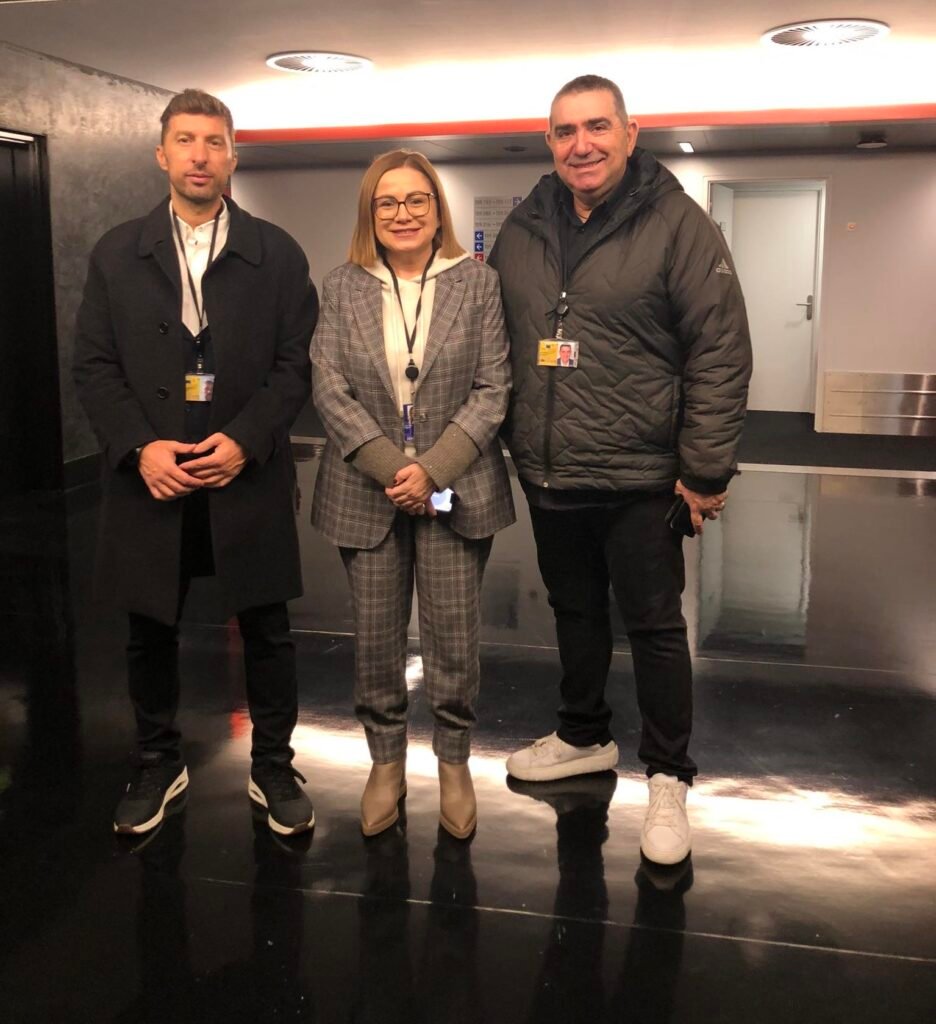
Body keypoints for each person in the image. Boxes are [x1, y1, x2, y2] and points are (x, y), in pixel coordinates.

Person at [489, 75, 751, 865]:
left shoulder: (677, 223)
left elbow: (719, 350)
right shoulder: (524, 226)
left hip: (643, 474)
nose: (583, 145)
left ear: (631, 134)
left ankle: (668, 776)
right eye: (566, 131)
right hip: (550, 468)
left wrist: (705, 471)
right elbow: (492, 335)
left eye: (598, 126)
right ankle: (583, 736)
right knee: (573, 610)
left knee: (655, 627)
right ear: (549, 142)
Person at [73, 89, 319, 837]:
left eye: (214, 141)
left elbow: (295, 367)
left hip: (245, 469)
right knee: (149, 627)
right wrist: (137, 446)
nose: (200, 155)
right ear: (162, 154)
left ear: (233, 156)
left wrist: (246, 438)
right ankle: (157, 760)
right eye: (185, 140)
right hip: (152, 473)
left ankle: (273, 764)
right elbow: (94, 366)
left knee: (267, 625)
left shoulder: (277, 252)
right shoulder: (117, 253)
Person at [310, 150, 514, 839]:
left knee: (455, 638)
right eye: (387, 202)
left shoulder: (477, 283)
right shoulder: (342, 286)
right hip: (365, 490)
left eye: (416, 199)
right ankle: (385, 762)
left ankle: (454, 763)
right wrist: (392, 469)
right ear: (370, 213)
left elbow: (493, 388)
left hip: (457, 484)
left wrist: (432, 469)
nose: (402, 213)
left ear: (437, 209)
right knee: (375, 639)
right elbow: (328, 388)